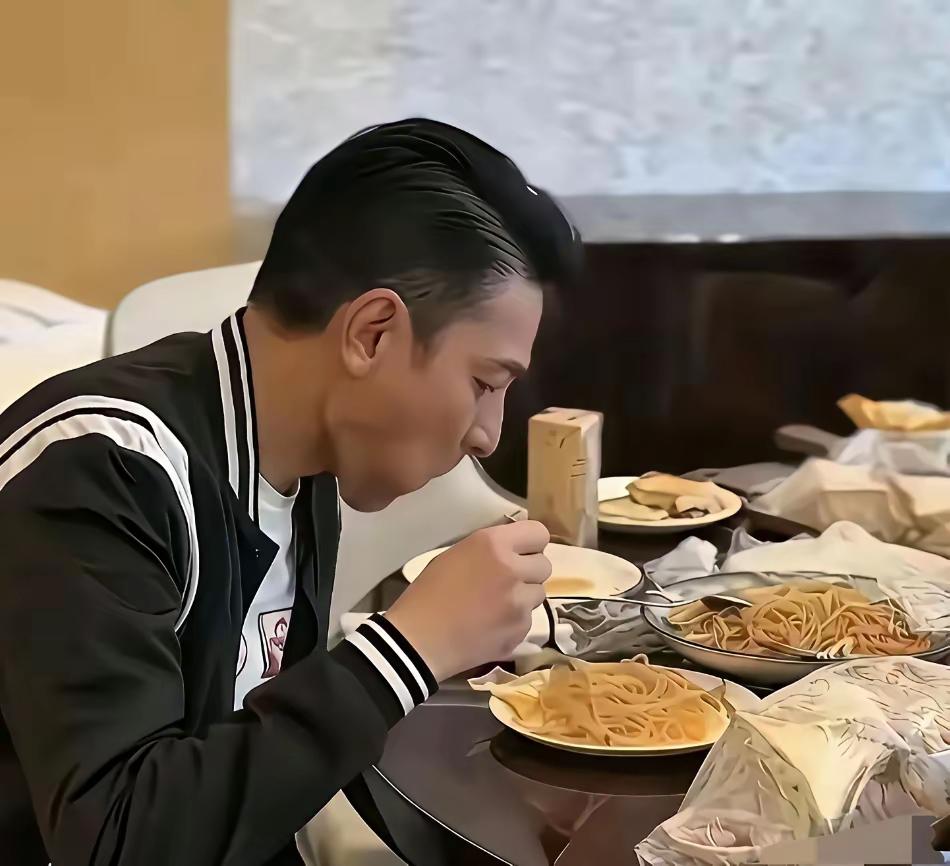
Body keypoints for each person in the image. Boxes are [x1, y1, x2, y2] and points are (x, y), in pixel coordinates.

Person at [0, 118, 582, 865]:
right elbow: (117, 839)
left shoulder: (300, 458)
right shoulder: (100, 465)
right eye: (484, 383)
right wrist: (408, 647)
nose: (487, 435)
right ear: (372, 332)